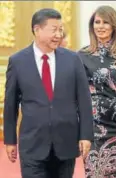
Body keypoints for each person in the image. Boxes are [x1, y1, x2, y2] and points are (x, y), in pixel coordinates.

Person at [3, 8, 94, 178]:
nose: (59, 35)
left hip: (65, 143)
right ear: (37, 30)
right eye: (54, 29)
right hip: (32, 144)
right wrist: (10, 140)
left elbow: (84, 100)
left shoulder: (73, 59)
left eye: (60, 29)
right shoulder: (18, 61)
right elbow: (11, 104)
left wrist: (86, 135)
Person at [77, 5, 116, 178]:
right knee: (93, 172)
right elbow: (77, 92)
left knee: (114, 171)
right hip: (92, 125)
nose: (100, 26)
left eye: (105, 22)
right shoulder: (81, 55)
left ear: (114, 25)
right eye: (97, 22)